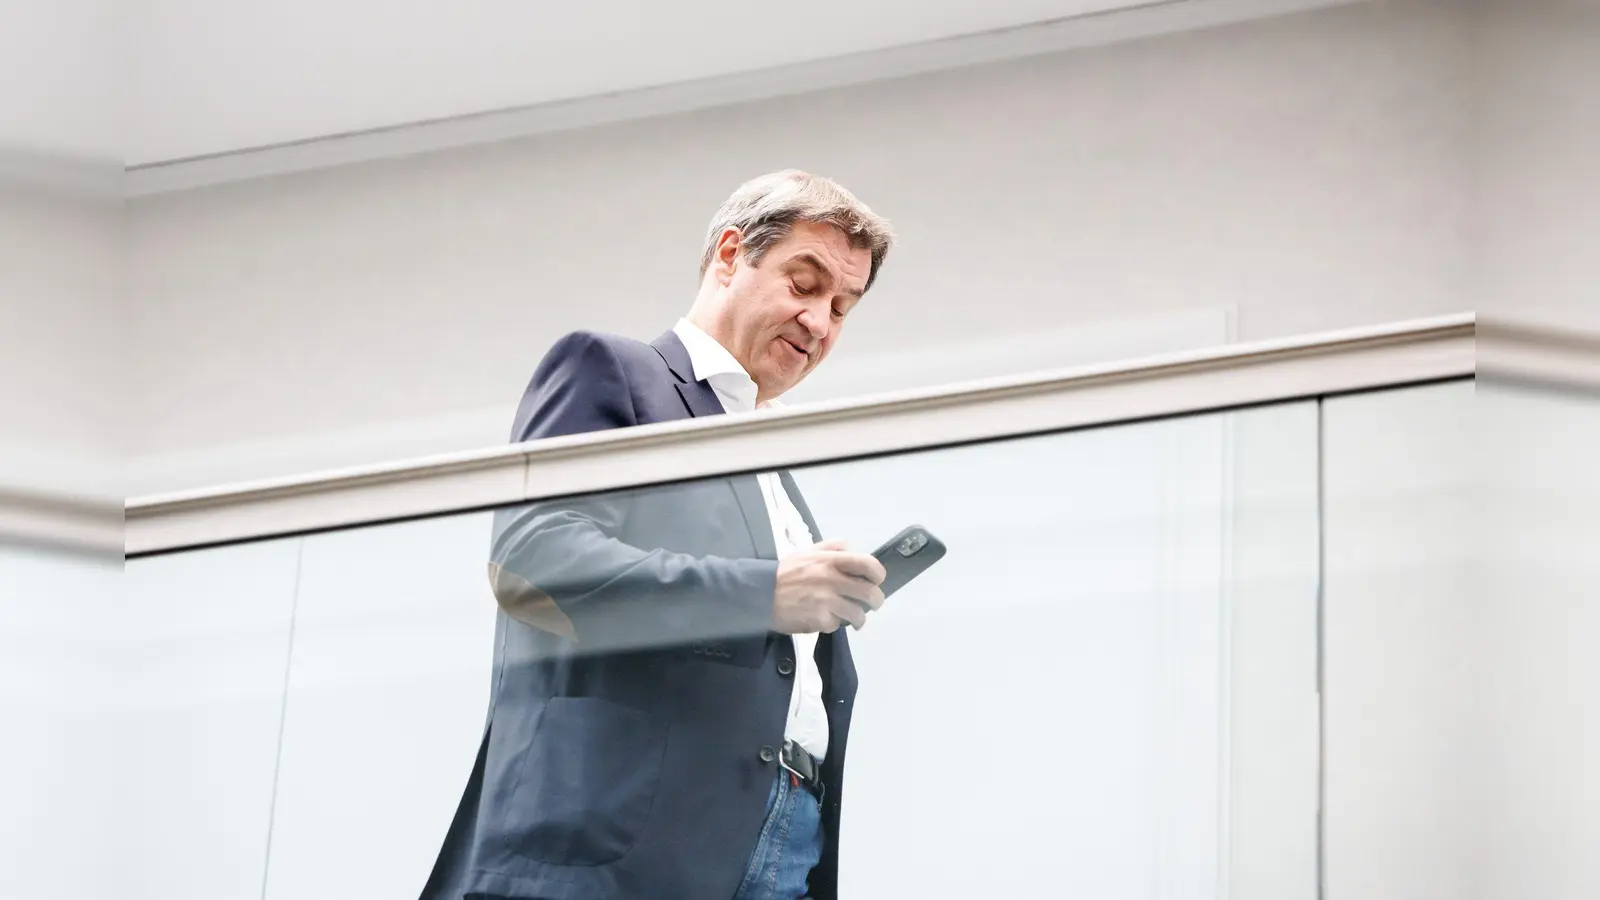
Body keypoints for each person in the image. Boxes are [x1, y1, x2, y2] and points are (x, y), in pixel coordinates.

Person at [420, 170, 897, 900]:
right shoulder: (615, 372)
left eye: (842, 307)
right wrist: (765, 593)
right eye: (805, 284)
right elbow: (533, 558)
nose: (821, 323)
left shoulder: (774, 464)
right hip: (624, 843)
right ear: (730, 255)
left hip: (783, 840)